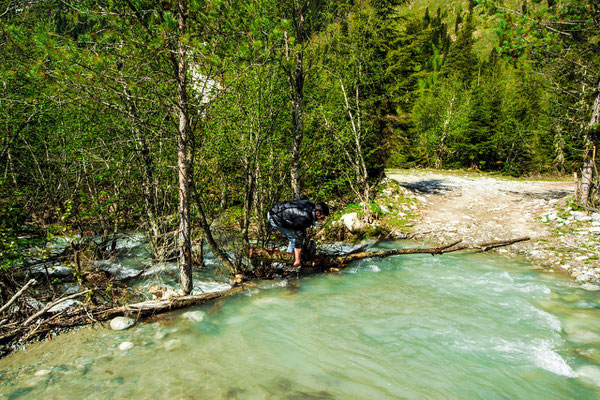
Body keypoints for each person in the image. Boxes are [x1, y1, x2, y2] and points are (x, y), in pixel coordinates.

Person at [268, 198, 329, 268]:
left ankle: (289, 256)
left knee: (295, 238)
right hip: (274, 217)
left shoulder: (310, 205)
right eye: (322, 217)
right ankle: (287, 263)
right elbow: (298, 239)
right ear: (318, 213)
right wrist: (297, 260)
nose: (322, 219)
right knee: (293, 239)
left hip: (278, 211)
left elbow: (302, 196)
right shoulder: (304, 218)